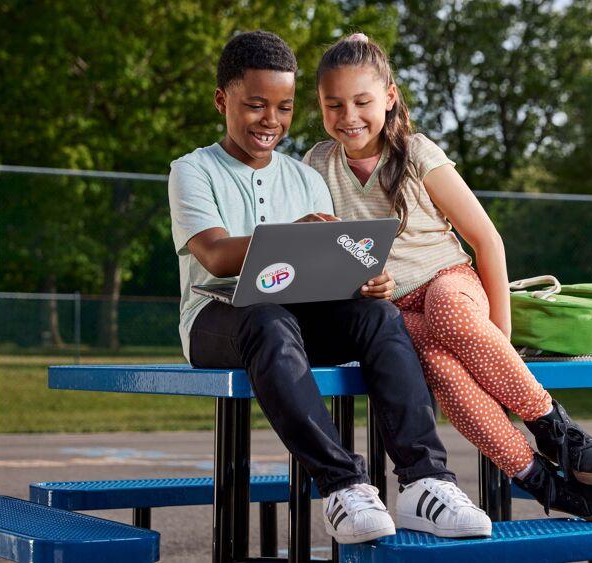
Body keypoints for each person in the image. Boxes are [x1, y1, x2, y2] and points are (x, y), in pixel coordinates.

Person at [167, 30, 490, 544]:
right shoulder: (193, 170)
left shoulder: (306, 177)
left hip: (292, 319)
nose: (270, 121)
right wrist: (291, 236)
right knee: (267, 320)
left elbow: (333, 264)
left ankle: (426, 483)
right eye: (255, 106)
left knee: (379, 316)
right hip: (218, 320)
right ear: (221, 100)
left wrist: (367, 278)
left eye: (284, 107)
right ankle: (344, 487)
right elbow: (215, 253)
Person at [304, 33, 592, 521]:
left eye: (362, 101)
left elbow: (487, 240)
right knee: (444, 373)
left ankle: (559, 433)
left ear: (390, 97)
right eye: (334, 104)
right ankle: (542, 483)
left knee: (451, 315)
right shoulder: (316, 165)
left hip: (448, 283)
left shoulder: (415, 153)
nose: (348, 115)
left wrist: (500, 338)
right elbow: (329, 259)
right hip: (389, 310)